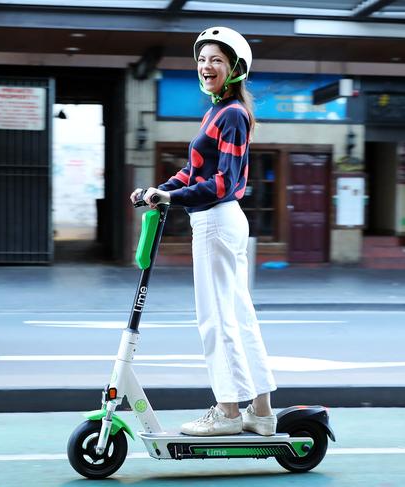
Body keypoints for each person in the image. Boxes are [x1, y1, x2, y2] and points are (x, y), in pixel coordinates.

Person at [130, 26, 276, 437]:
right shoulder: (217, 112)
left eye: (216, 59)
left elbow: (225, 182)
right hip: (220, 219)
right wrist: (162, 191)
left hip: (215, 219)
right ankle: (261, 411)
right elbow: (193, 172)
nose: (206, 66)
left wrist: (173, 199)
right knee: (239, 316)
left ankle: (229, 411)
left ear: (234, 68)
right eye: (202, 59)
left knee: (216, 319)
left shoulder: (230, 113)